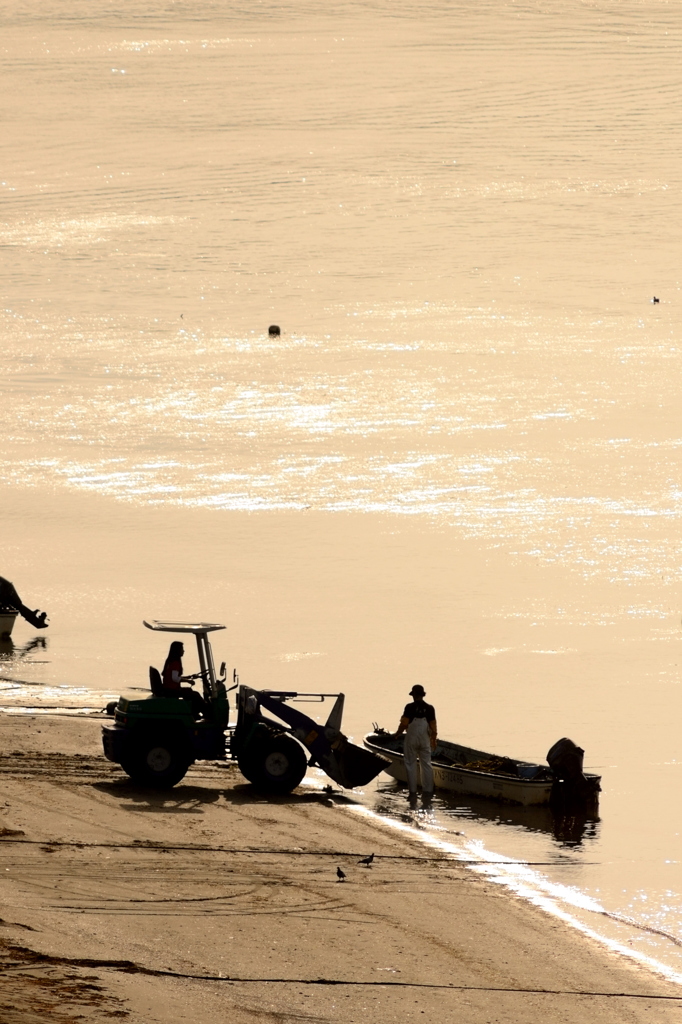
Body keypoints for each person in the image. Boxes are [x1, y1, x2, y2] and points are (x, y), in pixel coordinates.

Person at [394, 684, 437, 803]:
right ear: (422, 695)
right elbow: (433, 727)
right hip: (425, 740)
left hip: (411, 739)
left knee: (410, 764)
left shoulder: (409, 707)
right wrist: (433, 741)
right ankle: (428, 793)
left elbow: (404, 724)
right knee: (426, 764)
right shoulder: (430, 708)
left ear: (413, 695)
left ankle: (412, 793)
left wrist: (397, 734)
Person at [161, 640, 206, 718]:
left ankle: (195, 713)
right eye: (182, 649)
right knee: (195, 695)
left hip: (168, 689)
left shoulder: (169, 661)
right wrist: (188, 681)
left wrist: (188, 677)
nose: (183, 651)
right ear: (177, 650)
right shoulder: (175, 663)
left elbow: (173, 676)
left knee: (191, 692)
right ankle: (206, 713)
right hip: (172, 691)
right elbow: (175, 678)